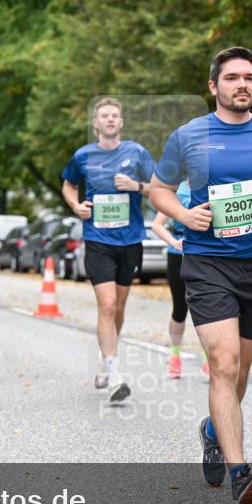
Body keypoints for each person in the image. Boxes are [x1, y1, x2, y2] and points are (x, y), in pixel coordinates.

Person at [149, 47, 252, 504]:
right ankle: (243, 472)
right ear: (213, 86)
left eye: (249, 78)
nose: (243, 85)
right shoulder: (189, 136)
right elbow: (158, 189)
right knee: (222, 365)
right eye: (233, 78)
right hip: (206, 263)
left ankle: (211, 429)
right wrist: (183, 213)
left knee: (238, 374)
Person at [62, 97, 156, 402]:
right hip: (98, 240)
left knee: (118, 309)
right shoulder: (83, 156)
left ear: (122, 122)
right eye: (105, 116)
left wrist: (136, 187)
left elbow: (159, 186)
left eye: (115, 115)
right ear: (96, 123)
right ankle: (115, 376)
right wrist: (76, 206)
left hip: (129, 241)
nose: (111, 120)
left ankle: (105, 356)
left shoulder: (137, 152)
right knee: (106, 305)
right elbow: (67, 184)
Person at [151, 183, 210, 379]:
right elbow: (157, 225)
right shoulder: (177, 191)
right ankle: (175, 355)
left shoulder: (212, 186)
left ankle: (208, 358)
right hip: (178, 255)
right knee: (179, 309)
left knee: (208, 309)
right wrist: (173, 242)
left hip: (205, 255)